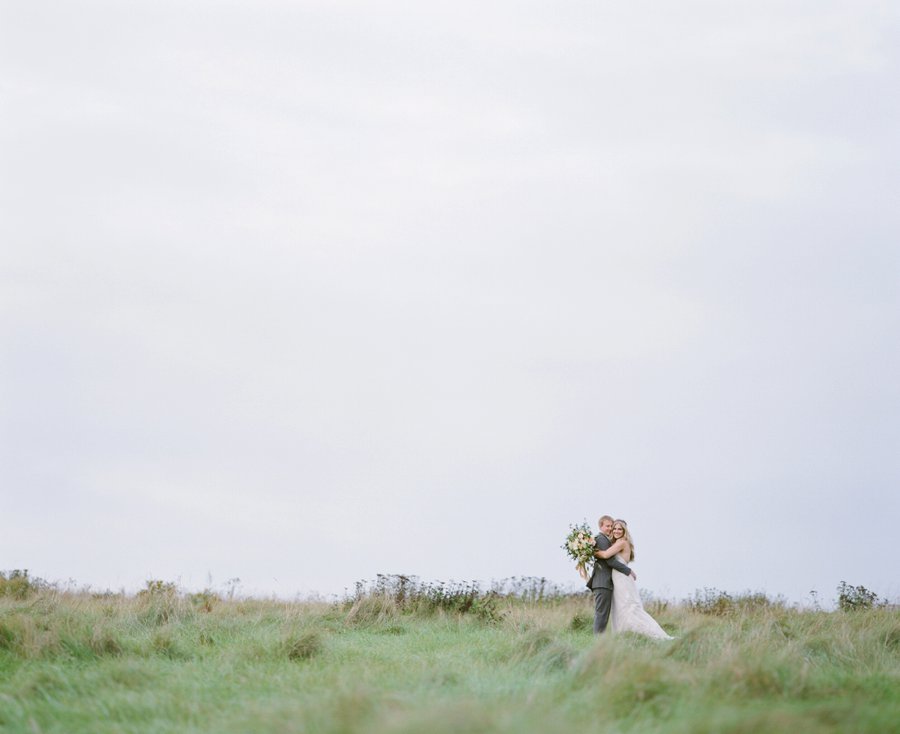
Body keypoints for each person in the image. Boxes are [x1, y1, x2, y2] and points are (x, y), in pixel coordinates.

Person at [594, 519, 673, 640]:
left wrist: (590, 550)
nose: (616, 531)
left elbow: (605, 555)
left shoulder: (622, 542)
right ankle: (625, 636)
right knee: (620, 608)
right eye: (614, 528)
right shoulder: (616, 542)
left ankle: (651, 634)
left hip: (622, 578)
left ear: (624, 530)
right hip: (617, 578)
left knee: (629, 607)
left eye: (619, 529)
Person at [586, 515, 635, 634]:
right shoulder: (602, 539)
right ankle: (599, 642)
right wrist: (628, 570)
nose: (610, 529)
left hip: (609, 582)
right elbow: (610, 560)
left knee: (607, 613)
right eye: (608, 526)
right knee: (602, 614)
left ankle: (608, 639)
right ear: (601, 526)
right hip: (603, 582)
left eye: (611, 526)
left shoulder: (610, 540)